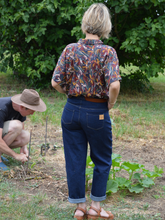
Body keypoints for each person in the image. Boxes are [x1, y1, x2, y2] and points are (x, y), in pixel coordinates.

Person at [51, 3, 121, 220]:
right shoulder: (108, 52)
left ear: (85, 24)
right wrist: (110, 103)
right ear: (105, 25)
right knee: (101, 159)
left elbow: (55, 82)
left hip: (71, 110)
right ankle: (95, 207)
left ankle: (79, 207)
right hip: (96, 111)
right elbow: (115, 86)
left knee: (74, 159)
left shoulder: (70, 49)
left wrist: (69, 94)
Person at [0, 89, 46, 171]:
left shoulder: (19, 108)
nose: (32, 114)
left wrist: (23, 147)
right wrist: (15, 155)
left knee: (25, 137)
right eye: (31, 111)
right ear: (22, 107)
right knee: (16, 125)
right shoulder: (2, 109)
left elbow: (21, 128)